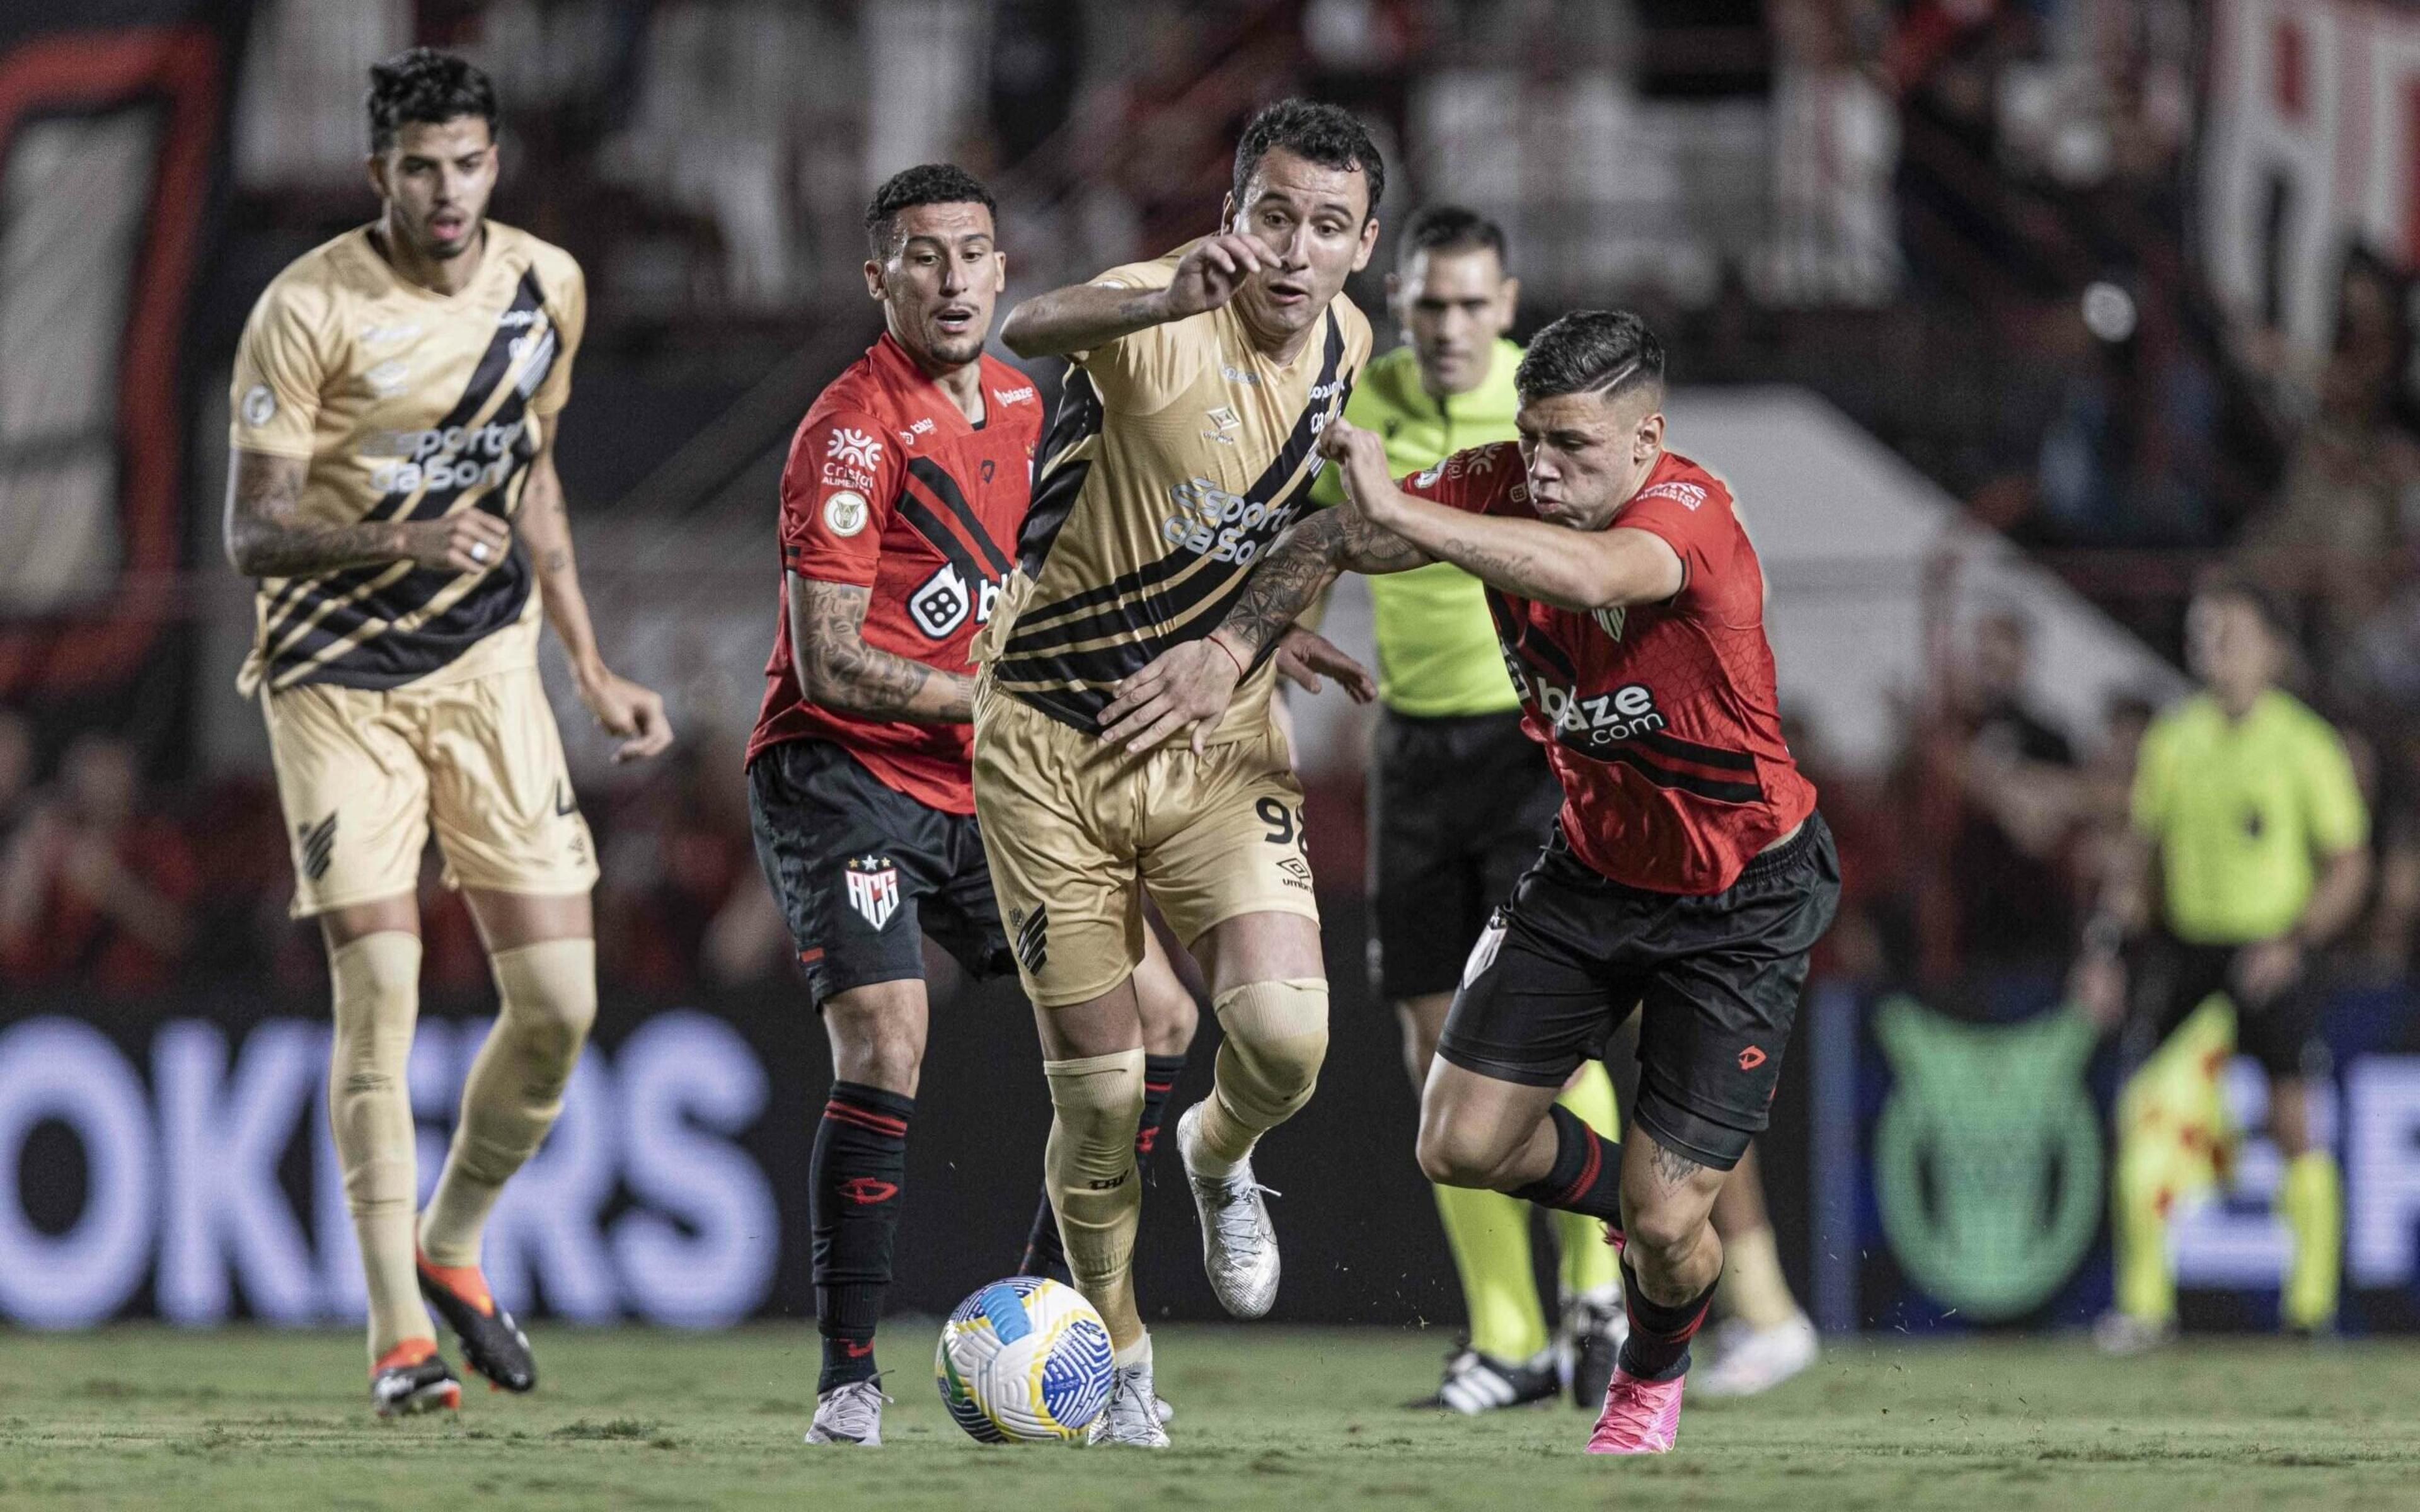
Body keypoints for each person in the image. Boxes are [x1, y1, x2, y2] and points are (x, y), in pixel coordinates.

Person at [1102, 310, 1839, 1454]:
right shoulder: (1498, 484)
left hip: (1738, 899)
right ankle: (1644, 1213)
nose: (1542, 468)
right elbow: (1334, 535)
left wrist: (1411, 514)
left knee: (1668, 1223)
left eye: (1575, 448)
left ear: (1648, 440)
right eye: (1531, 438)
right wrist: (1243, 639)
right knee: (1459, 1143)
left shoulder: (1690, 517)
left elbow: (1594, 570)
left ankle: (1648, 1376)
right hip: (1590, 874)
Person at [221, 49, 672, 1417]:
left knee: (561, 1009)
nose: (446, 189)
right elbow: (253, 532)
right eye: (418, 167)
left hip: (489, 676)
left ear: (495, 165)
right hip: (336, 684)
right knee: (385, 996)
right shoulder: (305, 309)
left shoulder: (549, 287)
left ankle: (456, 1244)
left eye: (468, 162)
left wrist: (591, 667)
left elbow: (528, 476)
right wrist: (405, 537)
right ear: (380, 176)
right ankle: (397, 1338)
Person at [742, 163, 1206, 1447]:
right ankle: (847, 1380)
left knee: (1159, 1019)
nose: (953, 280)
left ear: (1007, 273)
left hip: (983, 782)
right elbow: (833, 658)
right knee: (889, 1037)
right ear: (877, 277)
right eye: (923, 257)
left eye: (974, 256)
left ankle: (1063, 1330)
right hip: (843, 773)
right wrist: (1010, 703)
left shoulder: (1026, 399)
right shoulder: (848, 430)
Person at [983, 98, 1381, 1445]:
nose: (1294, 250)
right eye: (1273, 216)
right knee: (1097, 1099)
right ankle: (1123, 1366)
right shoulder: (1156, 314)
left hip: (1217, 739)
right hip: (1053, 744)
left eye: (1327, 226)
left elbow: (1309, 526)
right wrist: (1155, 297)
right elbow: (1026, 328)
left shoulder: (1350, 347)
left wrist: (1248, 637)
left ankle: (1222, 1155)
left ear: (1361, 247)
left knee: (1285, 1042)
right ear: (1232, 219)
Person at [1304, 204, 1625, 1414]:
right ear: (1404, 306)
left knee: (1547, 1033)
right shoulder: (1364, 402)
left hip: (1535, 745)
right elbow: (1312, 539)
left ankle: (1597, 1285)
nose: (1446, 324)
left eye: (1468, 303)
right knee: (1432, 1046)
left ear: (1508, 303)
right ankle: (1508, 1337)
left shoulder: (1542, 413)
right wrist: (1285, 621)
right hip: (1415, 756)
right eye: (1427, 303)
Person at [2074, 581, 2369, 1350]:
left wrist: (2296, 941)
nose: (2215, 652)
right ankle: (2144, 1308)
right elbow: (2141, 859)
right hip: (2187, 949)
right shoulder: (2175, 739)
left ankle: (2310, 1310)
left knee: (2293, 1122)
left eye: (2231, 636)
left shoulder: (2305, 744)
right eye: (2204, 638)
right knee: (2145, 1114)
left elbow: (2348, 865)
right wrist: (2105, 948)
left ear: (2271, 649)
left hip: (2273, 945)